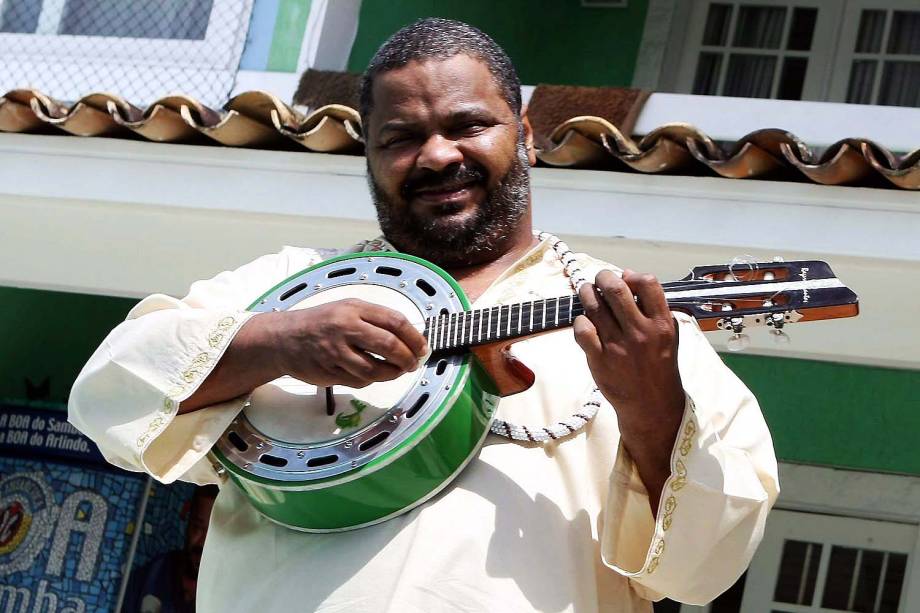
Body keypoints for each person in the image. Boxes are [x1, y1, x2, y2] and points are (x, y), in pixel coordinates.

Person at [69, 18, 778, 613]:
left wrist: (653, 407)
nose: (437, 154)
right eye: (401, 137)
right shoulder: (290, 284)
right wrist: (278, 341)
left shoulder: (631, 324)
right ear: (369, 155)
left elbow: (703, 570)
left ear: (526, 135)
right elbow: (106, 396)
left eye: (468, 124)